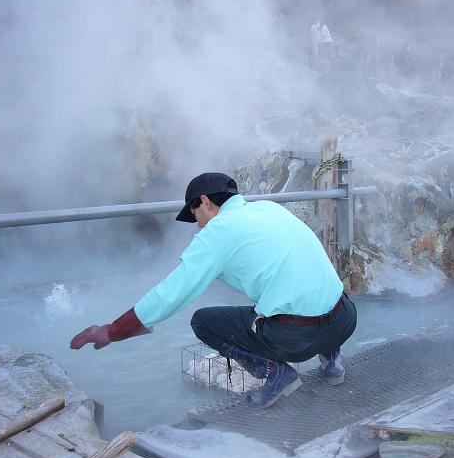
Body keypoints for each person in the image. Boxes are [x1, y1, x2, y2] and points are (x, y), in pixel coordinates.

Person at [70, 172, 357, 408]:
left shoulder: (217, 234)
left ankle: (277, 373)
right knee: (307, 286)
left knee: (203, 321)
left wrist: (114, 330)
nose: (197, 224)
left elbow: (170, 294)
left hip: (297, 338)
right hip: (345, 319)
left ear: (205, 202)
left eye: (195, 213)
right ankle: (332, 359)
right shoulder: (269, 209)